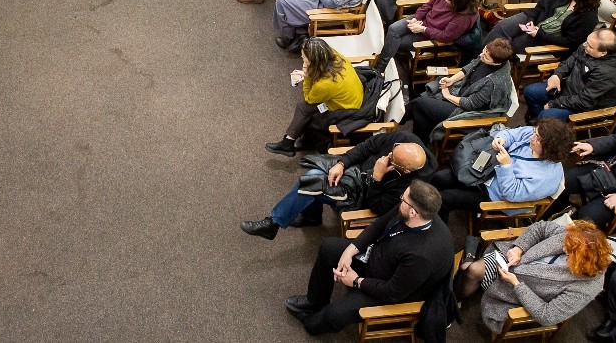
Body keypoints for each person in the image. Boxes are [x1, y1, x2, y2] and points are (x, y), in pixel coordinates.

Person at [283, 181, 453, 336]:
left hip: (387, 288)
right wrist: (350, 251)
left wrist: (356, 281)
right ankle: (315, 302)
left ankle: (311, 324)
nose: (400, 199)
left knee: (334, 314)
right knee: (329, 247)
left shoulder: (421, 256)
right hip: (380, 259)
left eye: (403, 198)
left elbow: (392, 292)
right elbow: (379, 225)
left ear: (413, 212)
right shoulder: (414, 211)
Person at [240, 131, 434, 239]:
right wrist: (342, 163)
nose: (387, 156)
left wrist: (376, 178)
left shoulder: (412, 186)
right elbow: (368, 146)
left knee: (311, 180)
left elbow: (379, 207)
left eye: (392, 159)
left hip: (362, 193)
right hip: (353, 169)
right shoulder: (403, 140)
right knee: (314, 172)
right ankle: (310, 217)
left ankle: (274, 223)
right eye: (392, 152)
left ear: (404, 170)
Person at [458, 220, 612, 334]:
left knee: (468, 271)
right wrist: (519, 249)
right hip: (512, 260)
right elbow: (541, 228)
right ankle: (454, 299)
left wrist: (517, 285)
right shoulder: (576, 238)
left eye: (569, 251)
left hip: (515, 293)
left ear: (581, 261)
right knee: (473, 271)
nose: (563, 247)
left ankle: (469, 258)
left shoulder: (586, 287)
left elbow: (548, 315)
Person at [430, 120, 575, 222]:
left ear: (549, 148)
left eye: (537, 138)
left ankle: (433, 226)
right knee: (439, 178)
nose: (531, 137)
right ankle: (425, 203)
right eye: (534, 133)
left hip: (495, 195)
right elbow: (512, 134)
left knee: (446, 199)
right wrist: (502, 138)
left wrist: (506, 166)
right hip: (489, 170)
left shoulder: (546, 178)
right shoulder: (537, 134)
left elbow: (511, 194)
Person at [265, 38, 363, 157]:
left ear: (314, 61)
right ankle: (288, 142)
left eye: (304, 58)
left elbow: (309, 98)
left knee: (305, 107)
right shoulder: (333, 54)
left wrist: (306, 76)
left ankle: (288, 143)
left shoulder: (325, 84)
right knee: (303, 108)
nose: (302, 59)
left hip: (346, 108)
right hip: (353, 95)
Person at [405, 38, 516, 142]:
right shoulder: (488, 55)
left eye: (486, 58)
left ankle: (399, 119)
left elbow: (470, 104)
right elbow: (470, 66)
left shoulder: (494, 83)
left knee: (418, 103)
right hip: (460, 92)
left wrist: (448, 95)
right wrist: (451, 80)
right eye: (484, 51)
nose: (481, 56)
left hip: (465, 110)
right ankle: (419, 142)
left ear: (497, 63)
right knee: (422, 113)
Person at [371, 0, 479, 77]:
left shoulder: (463, 18)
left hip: (431, 35)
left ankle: (379, 69)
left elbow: (445, 36)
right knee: (393, 29)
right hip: (422, 21)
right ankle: (380, 67)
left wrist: (423, 29)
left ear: (456, 4)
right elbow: (428, 5)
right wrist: (416, 18)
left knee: (396, 42)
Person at [523, 29, 616, 123]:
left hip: (584, 106)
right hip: (569, 88)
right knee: (530, 92)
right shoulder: (591, 46)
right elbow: (573, 58)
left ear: (603, 53)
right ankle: (538, 125)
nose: (584, 45)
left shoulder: (608, 73)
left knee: (545, 116)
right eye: (587, 41)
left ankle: (543, 128)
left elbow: (585, 101)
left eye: (590, 46)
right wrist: (558, 74)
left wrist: (554, 104)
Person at [485, 0, 601, 54]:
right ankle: (482, 54)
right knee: (502, 27)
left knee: (508, 46)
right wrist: (531, 19)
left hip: (547, 38)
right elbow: (541, 5)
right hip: (536, 20)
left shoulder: (589, 18)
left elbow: (569, 42)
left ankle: (490, 61)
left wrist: (539, 34)